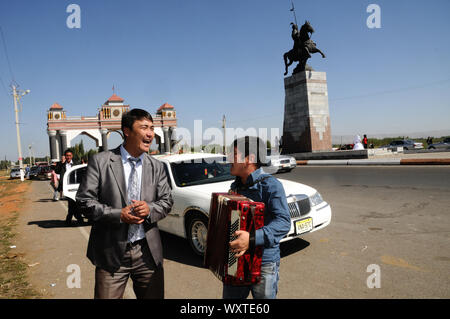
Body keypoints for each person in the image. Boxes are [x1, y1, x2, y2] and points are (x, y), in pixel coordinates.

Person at [76, 108, 173, 299]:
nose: (150, 133)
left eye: (152, 128)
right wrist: (119, 215)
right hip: (111, 253)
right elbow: (84, 201)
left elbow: (167, 201)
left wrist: (150, 209)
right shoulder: (101, 161)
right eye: (144, 127)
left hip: (147, 253)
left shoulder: (157, 166)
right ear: (127, 131)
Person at [223, 136, 291, 299]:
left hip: (264, 263)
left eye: (233, 155)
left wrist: (252, 238)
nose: (229, 160)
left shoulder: (271, 186)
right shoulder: (235, 187)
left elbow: (283, 223)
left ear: (250, 159)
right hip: (236, 259)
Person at [55, 150, 84, 225]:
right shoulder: (62, 165)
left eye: (69, 155)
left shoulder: (76, 164)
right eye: (67, 155)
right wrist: (61, 163)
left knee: (73, 204)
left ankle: (71, 220)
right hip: (67, 187)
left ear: (72, 156)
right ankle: (77, 219)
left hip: (76, 186)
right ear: (65, 156)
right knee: (72, 203)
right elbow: (56, 171)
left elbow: (80, 174)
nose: (68, 157)